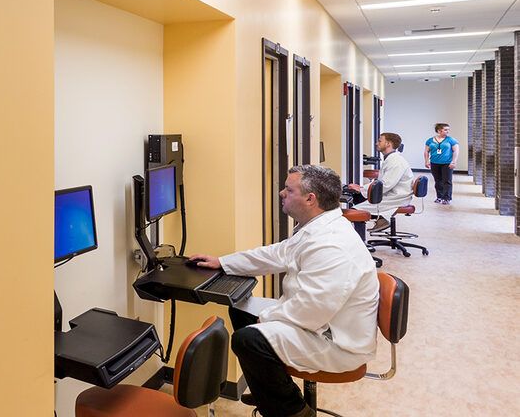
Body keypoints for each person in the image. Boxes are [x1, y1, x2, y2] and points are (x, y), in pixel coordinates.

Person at [188, 165, 378, 417]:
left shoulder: (332, 244)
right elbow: (276, 254)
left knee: (249, 339)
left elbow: (313, 311)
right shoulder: (316, 227)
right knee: (240, 309)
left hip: (336, 341)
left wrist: (267, 318)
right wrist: (222, 262)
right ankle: (269, 386)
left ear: (311, 199)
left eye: (289, 190)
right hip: (320, 320)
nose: (281, 193)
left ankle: (293, 411)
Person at [346, 132, 412, 232]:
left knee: (356, 212)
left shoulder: (396, 162)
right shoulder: (391, 159)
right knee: (358, 197)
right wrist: (361, 188)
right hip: (393, 194)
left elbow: (385, 185)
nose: (377, 143)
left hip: (395, 197)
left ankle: (361, 242)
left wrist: (362, 189)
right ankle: (381, 219)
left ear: (388, 144)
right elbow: (382, 182)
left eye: (380, 141)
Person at [424, 123, 459, 205]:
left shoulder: (451, 140)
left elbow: (456, 151)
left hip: (447, 163)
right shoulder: (430, 140)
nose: (448, 131)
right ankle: (439, 197)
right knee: (438, 181)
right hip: (434, 163)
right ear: (439, 131)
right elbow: (426, 151)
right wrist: (426, 161)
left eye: (448, 129)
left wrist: (453, 161)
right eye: (446, 129)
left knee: (447, 181)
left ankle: (447, 198)